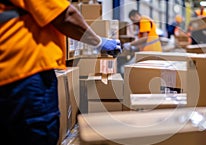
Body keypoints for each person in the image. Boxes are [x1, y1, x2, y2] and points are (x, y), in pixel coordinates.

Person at [0, 0, 121, 145]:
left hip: (7, 71)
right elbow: (66, 16)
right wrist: (99, 42)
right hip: (26, 71)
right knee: (38, 135)